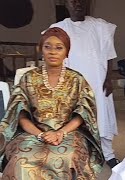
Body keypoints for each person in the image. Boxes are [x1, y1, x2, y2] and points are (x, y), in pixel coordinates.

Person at [0, 27, 104, 179]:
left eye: (59, 48)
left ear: (66, 52)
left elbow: (84, 114)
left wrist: (60, 133)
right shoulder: (28, 78)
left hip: (69, 134)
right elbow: (19, 115)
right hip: (32, 134)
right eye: (47, 47)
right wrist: (40, 134)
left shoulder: (76, 79)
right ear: (41, 49)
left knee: (66, 157)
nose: (53, 52)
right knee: (20, 161)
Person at [48, 0, 119, 168]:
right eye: (73, 1)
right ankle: (78, 154)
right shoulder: (58, 28)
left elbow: (109, 55)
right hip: (71, 85)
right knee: (73, 119)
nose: (78, 4)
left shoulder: (100, 26)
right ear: (67, 5)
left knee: (102, 117)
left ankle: (108, 155)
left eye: (81, 1)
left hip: (98, 81)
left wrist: (109, 78)